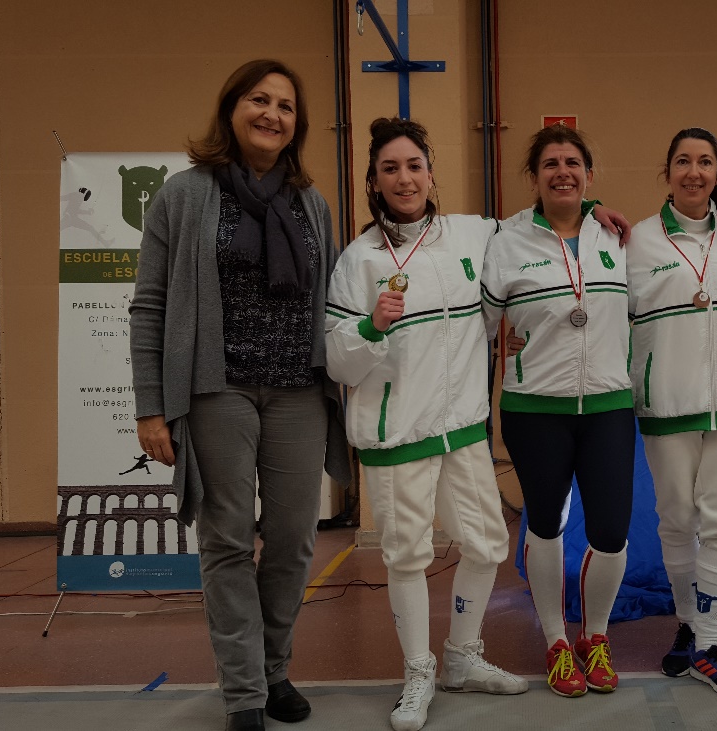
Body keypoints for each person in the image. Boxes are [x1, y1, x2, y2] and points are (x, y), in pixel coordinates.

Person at [324, 118, 629, 729]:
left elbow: (544, 227)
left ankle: (462, 656)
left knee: (488, 543)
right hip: (396, 435)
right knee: (407, 557)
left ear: (431, 173)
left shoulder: (474, 234)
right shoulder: (358, 260)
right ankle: (419, 671)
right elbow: (337, 360)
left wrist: (593, 210)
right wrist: (370, 327)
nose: (405, 179)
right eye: (390, 169)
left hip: (462, 428)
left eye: (415, 166)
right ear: (374, 182)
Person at [129, 59, 352, 731]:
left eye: (286, 106)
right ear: (232, 108)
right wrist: (150, 407)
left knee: (293, 539)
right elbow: (149, 306)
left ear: (296, 125)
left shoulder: (311, 203)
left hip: (298, 391)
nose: (272, 114)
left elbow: (334, 297)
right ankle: (246, 691)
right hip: (215, 389)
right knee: (226, 539)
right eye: (260, 99)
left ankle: (274, 667)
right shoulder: (183, 195)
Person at [480, 125, 632, 698]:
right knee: (546, 522)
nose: (562, 172)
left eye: (572, 163)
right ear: (534, 176)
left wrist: (595, 209)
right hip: (535, 407)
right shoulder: (507, 240)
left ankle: (595, 636)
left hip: (608, 404)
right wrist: (508, 351)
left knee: (611, 532)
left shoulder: (616, 237)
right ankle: (555, 641)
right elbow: (482, 322)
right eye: (550, 164)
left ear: (588, 174)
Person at [625, 128, 717, 700]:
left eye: (705, 162)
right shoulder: (636, 241)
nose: (694, 172)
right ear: (668, 172)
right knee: (677, 519)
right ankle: (690, 625)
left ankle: (706, 643)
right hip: (667, 403)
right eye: (683, 161)